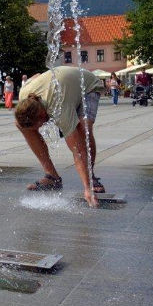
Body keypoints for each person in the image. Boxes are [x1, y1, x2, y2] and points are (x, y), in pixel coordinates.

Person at [14, 66, 106, 207]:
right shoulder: (24, 96)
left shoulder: (59, 109)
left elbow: (78, 150)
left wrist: (87, 189)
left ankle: (91, 178)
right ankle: (52, 176)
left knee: (83, 130)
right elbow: (37, 75)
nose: (40, 129)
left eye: (38, 126)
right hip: (65, 85)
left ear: (43, 115)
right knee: (20, 125)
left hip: (87, 86)